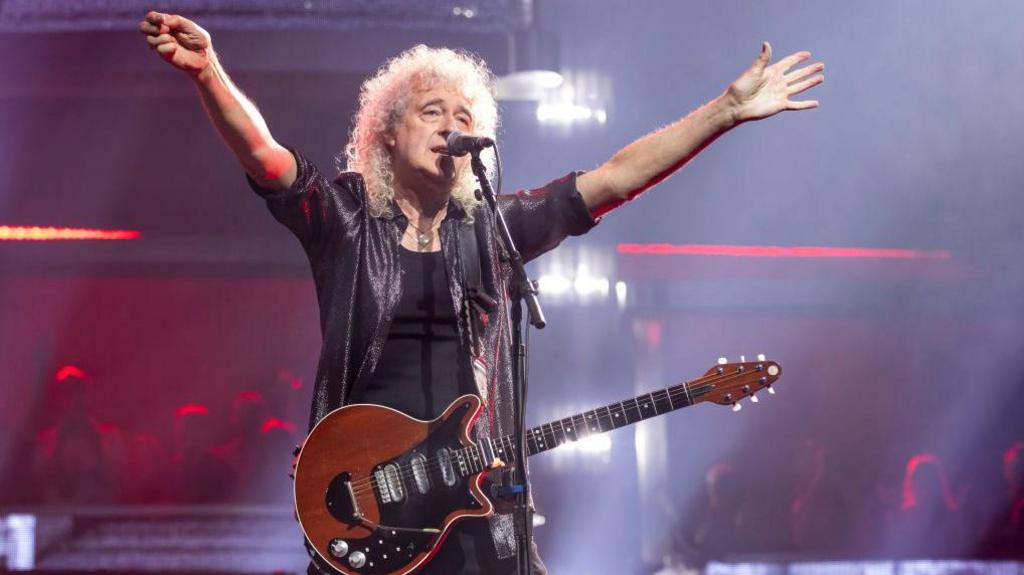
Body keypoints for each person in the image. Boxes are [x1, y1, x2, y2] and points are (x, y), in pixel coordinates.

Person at [138, 10, 824, 574]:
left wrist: (726, 111)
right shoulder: (347, 220)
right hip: (366, 504)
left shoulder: (492, 228)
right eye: (431, 111)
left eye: (462, 113)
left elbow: (614, 179)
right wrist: (208, 73)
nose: (449, 124)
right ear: (386, 133)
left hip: (473, 509)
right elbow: (267, 158)